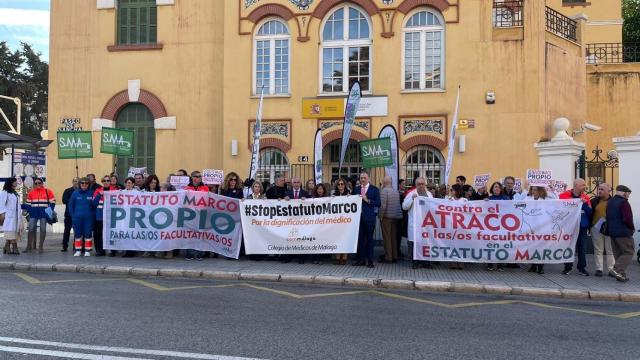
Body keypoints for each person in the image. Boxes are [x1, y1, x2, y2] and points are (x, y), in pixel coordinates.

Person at [559, 178, 592, 276]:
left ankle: (582, 268)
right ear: (576, 185)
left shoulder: (586, 197)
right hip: (568, 226)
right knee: (568, 246)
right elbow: (558, 209)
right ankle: (567, 267)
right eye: (583, 185)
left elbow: (590, 212)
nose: (585, 186)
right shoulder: (563, 195)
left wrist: (585, 204)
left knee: (582, 247)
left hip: (582, 226)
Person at [606, 185, 635, 282]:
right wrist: (632, 227)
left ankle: (621, 275)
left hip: (612, 232)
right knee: (629, 252)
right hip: (623, 232)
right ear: (624, 193)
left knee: (618, 253)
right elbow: (627, 218)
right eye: (628, 193)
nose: (628, 195)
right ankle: (616, 269)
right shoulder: (624, 202)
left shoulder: (610, 202)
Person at [402, 177, 433, 269]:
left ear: (425, 184)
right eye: (418, 184)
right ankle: (415, 262)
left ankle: (426, 262)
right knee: (414, 244)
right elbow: (404, 206)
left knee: (425, 243)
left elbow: (434, 206)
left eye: (422, 184)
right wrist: (411, 199)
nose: (420, 186)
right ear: (416, 185)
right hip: (415, 224)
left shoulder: (429, 194)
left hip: (426, 225)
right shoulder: (411, 194)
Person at [353, 172, 381, 268]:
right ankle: (361, 260)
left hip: (369, 218)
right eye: (361, 178)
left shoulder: (374, 189)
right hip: (358, 218)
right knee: (360, 239)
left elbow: (378, 203)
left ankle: (370, 260)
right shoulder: (356, 189)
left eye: (364, 178)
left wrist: (367, 200)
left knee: (369, 239)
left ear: (368, 178)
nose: (363, 179)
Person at [590, 183, 614, 277]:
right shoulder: (594, 201)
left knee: (610, 249)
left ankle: (611, 269)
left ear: (609, 191)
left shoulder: (613, 201)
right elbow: (589, 213)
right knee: (598, 249)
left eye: (602, 189)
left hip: (610, 228)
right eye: (599, 189)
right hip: (596, 228)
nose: (599, 191)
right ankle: (599, 269)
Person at [24, 178, 56, 253]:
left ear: (42, 183)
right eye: (36, 183)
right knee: (31, 229)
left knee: (43, 229)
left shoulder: (48, 191)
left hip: (43, 214)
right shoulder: (31, 192)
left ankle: (40, 246)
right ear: (34, 184)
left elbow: (53, 202)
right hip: (33, 214)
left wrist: (49, 210)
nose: (37, 184)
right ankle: (29, 246)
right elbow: (28, 204)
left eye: (39, 183)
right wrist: (31, 211)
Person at [526, 186, 551, 274]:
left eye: (535, 190)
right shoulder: (528, 199)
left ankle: (540, 267)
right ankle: (533, 266)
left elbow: (557, 201)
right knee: (532, 247)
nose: (533, 191)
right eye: (532, 189)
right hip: (531, 227)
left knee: (541, 247)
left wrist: (552, 190)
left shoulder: (546, 200)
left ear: (540, 191)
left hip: (542, 228)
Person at [68, 178, 95, 257]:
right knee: (77, 234)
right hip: (77, 218)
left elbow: (95, 205)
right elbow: (70, 206)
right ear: (79, 184)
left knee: (88, 234)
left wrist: (92, 215)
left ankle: (87, 250)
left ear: (88, 185)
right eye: (82, 183)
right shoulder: (75, 193)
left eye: (86, 183)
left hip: (88, 218)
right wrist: (73, 216)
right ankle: (78, 250)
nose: (84, 185)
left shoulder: (91, 193)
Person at [185, 171, 208, 260]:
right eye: (196, 176)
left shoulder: (205, 187)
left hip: (201, 213)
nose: (198, 178)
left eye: (199, 176)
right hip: (190, 214)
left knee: (200, 234)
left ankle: (199, 253)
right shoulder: (187, 188)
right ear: (192, 177)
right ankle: (190, 253)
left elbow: (207, 199)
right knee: (190, 234)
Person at [379, 176, 402, 263]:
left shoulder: (384, 191)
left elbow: (383, 206)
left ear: (384, 182)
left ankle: (388, 257)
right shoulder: (395, 191)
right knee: (393, 238)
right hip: (395, 217)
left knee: (387, 238)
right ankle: (394, 255)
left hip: (387, 217)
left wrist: (380, 216)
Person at [92, 175, 113, 257]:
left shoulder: (115, 190)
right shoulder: (98, 190)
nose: (106, 182)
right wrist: (99, 195)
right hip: (99, 216)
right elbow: (94, 204)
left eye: (108, 180)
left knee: (110, 234)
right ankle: (99, 250)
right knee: (98, 234)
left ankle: (112, 250)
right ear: (102, 182)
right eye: (105, 181)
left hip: (111, 217)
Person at [0, 178, 22, 255]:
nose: (16, 182)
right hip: (8, 215)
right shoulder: (5, 192)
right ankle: (14, 247)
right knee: (11, 231)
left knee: (14, 231)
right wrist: (3, 214)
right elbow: (1, 204)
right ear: (11, 183)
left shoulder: (15, 192)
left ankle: (6, 246)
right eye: (15, 181)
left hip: (16, 215)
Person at [332, 177, 350, 265]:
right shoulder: (334, 194)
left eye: (342, 184)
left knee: (345, 238)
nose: (340, 185)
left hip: (346, 221)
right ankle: (337, 257)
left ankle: (344, 257)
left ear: (344, 185)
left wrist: (350, 198)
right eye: (338, 184)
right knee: (337, 238)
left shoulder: (348, 194)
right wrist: (331, 199)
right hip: (337, 221)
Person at [61, 177, 79, 252]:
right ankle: (64, 246)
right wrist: (73, 201)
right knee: (67, 231)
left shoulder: (81, 191)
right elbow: (64, 200)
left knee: (77, 231)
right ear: (72, 182)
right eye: (75, 181)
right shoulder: (67, 191)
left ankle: (76, 246)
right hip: (68, 214)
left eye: (77, 181)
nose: (76, 183)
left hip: (77, 215)